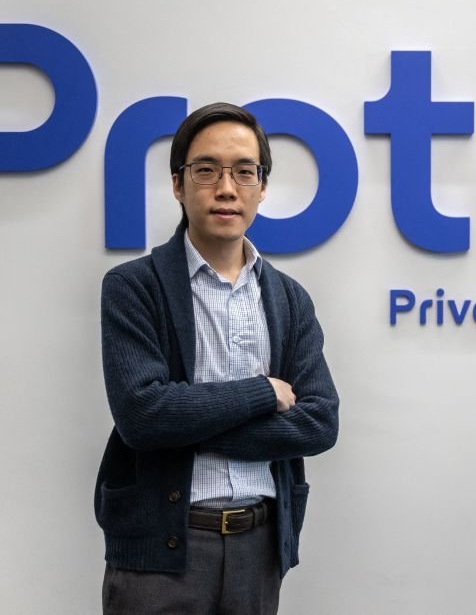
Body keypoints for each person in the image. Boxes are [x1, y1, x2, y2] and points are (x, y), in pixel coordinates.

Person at [94, 102, 340, 614]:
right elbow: (143, 416)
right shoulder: (133, 287)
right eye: (206, 170)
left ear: (262, 187)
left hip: (259, 547)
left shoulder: (288, 298)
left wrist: (187, 424)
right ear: (178, 184)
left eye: (245, 172)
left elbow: (320, 422)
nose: (226, 188)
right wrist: (262, 392)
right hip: (161, 558)